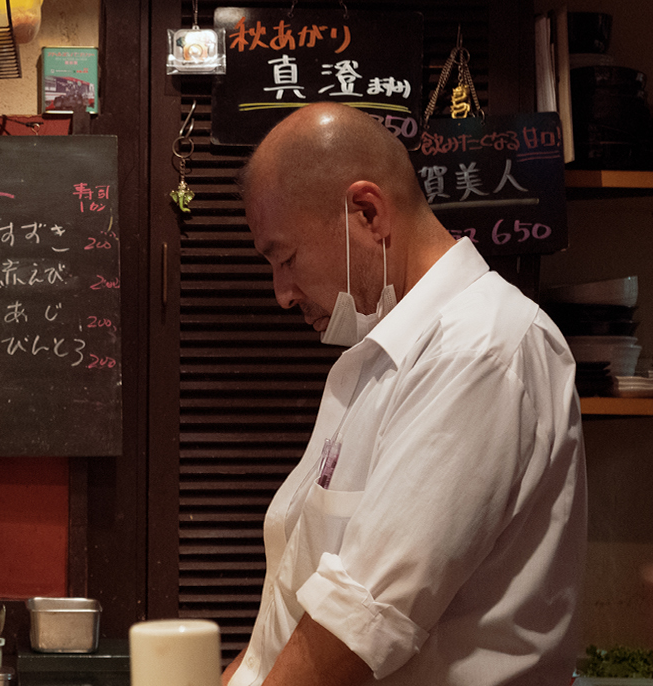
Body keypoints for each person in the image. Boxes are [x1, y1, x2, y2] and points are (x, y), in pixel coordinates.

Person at [226, 102, 586, 686]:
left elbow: (359, 621)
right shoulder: (382, 357)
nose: (282, 293)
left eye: (286, 258)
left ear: (368, 213)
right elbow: (302, 597)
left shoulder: (479, 348)